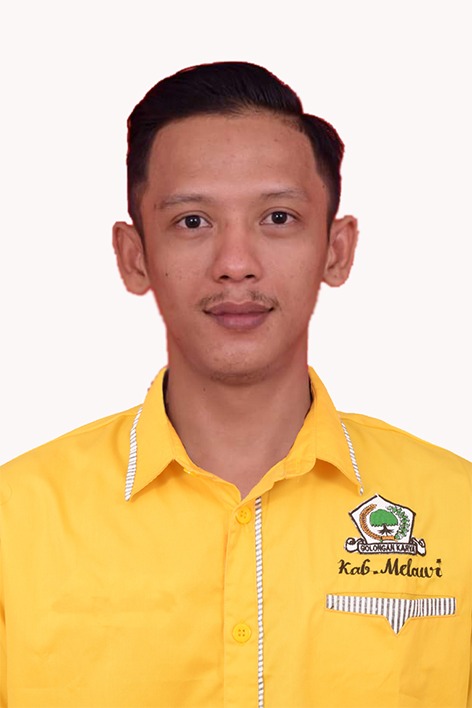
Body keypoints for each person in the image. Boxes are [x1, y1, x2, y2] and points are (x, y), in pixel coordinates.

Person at [0, 61, 470, 708]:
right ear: (134, 257)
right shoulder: (15, 522)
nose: (236, 265)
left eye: (277, 217)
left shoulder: (458, 514)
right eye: (193, 221)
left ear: (336, 250)